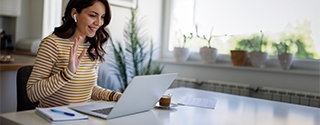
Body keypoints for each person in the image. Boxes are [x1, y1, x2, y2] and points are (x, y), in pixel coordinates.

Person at [26, 0, 121, 108]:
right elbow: (32, 94)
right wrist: (67, 73)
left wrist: (116, 96)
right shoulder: (52, 44)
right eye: (92, 15)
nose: (99, 23)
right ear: (74, 13)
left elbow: (89, 88)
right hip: (53, 118)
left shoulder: (92, 48)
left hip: (81, 117)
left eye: (102, 17)